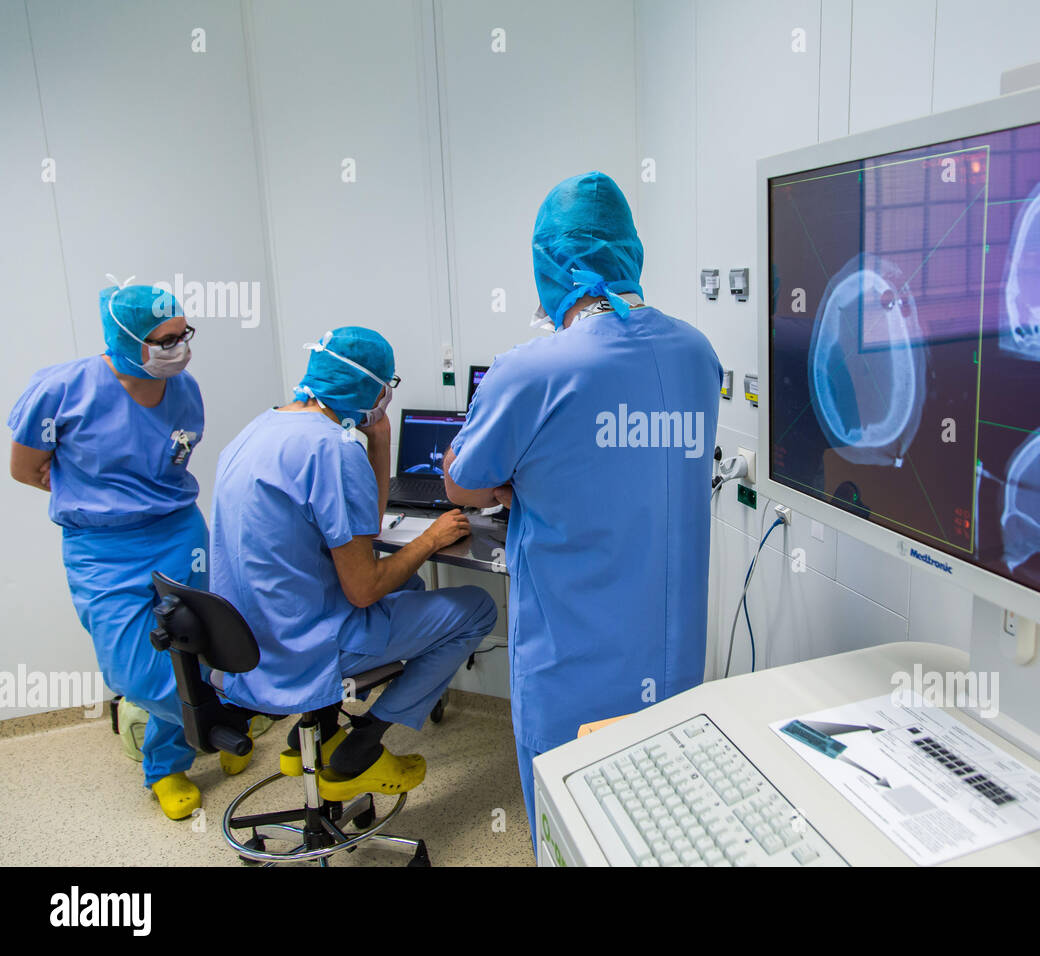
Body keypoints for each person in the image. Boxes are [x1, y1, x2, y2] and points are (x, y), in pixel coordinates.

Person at [444, 171, 722, 845]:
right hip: (673, 651)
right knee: (656, 818)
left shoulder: (531, 370)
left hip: (573, 658)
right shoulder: (697, 352)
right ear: (630, 252)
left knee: (574, 825)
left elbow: (464, 484)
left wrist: (517, 480)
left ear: (549, 265)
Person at [210, 326, 496, 799]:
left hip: (252, 640)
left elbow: (369, 524)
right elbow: (364, 590)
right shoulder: (333, 449)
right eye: (389, 384)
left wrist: (379, 439)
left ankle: (317, 729)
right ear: (372, 385)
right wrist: (430, 538)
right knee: (477, 607)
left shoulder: (260, 428)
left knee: (412, 592)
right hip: (306, 648)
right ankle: (362, 746)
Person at [8, 280, 220, 820]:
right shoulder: (61, 390)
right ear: (123, 338)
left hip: (178, 532)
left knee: (196, 647)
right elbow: (27, 469)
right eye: (163, 340)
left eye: (181, 335)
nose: (178, 348)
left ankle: (167, 765)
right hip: (102, 548)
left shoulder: (186, 387)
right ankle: (216, 728)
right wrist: (100, 500)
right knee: (135, 672)